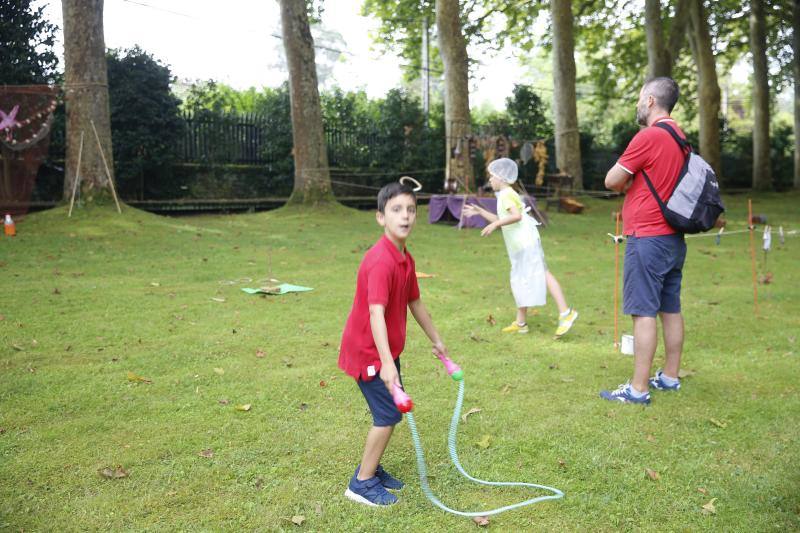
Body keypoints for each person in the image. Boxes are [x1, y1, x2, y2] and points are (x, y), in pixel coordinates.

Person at [339, 181, 449, 507]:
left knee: (390, 414)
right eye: (396, 210)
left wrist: (437, 340)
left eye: (411, 210)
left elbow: (415, 302)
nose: (405, 216)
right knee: (387, 416)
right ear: (380, 217)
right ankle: (360, 483)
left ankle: (371, 469)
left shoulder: (404, 257)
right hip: (369, 352)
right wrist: (386, 363)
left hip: (387, 352)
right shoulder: (380, 261)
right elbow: (376, 313)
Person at [600, 76, 688, 405]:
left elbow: (612, 180)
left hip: (647, 237)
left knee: (643, 312)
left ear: (651, 101)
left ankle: (638, 389)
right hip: (673, 238)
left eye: (640, 98)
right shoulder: (681, 137)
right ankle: (670, 376)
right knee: (671, 308)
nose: (638, 103)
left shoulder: (648, 136)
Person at [461, 158, 578, 338]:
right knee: (520, 279)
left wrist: (495, 225)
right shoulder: (505, 195)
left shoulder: (507, 194)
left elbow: (516, 216)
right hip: (519, 246)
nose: (490, 180)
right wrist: (480, 212)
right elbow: (502, 219)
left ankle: (566, 313)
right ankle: (521, 323)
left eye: (492, 176)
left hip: (526, 243)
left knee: (542, 274)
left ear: (501, 177)